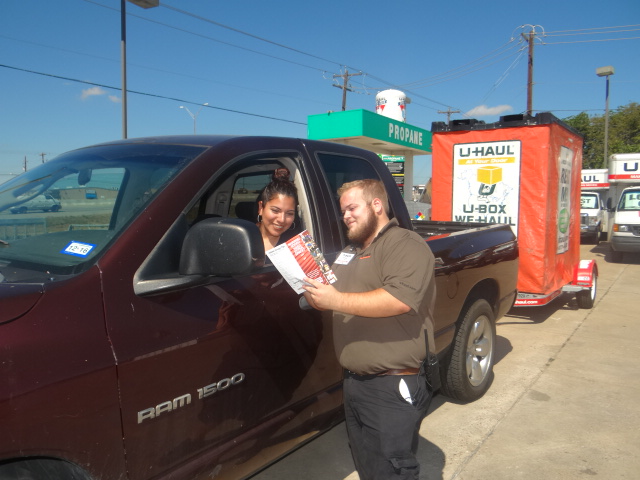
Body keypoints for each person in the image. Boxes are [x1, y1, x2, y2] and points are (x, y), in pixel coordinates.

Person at [302, 179, 436, 480]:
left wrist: (335, 299)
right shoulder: (349, 252)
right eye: (343, 211)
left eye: (352, 208)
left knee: (392, 468)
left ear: (376, 205)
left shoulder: (404, 244)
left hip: (391, 384)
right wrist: (311, 288)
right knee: (368, 466)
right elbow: (330, 292)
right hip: (355, 383)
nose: (346, 216)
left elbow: (399, 299)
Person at [256, 167, 298, 253]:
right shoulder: (242, 237)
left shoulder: (297, 247)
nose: (282, 220)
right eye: (275, 210)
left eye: (289, 213)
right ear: (261, 208)